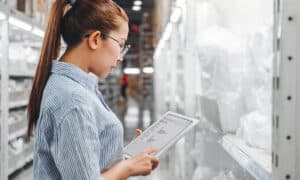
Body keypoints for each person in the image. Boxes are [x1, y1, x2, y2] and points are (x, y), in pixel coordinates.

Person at [26, 0, 159, 179]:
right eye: (120, 44)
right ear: (95, 39)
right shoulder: (73, 100)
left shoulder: (78, 88)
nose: (120, 57)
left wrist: (124, 158)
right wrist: (127, 168)